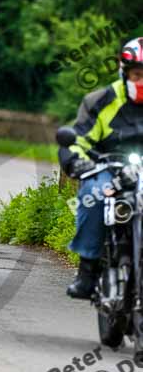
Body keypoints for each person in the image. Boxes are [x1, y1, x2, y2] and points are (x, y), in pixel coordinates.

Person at [59, 37, 143, 299]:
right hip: (110, 167)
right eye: (138, 74)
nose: (142, 81)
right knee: (93, 194)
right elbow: (78, 139)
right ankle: (88, 270)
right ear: (124, 71)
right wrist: (78, 161)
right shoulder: (101, 100)